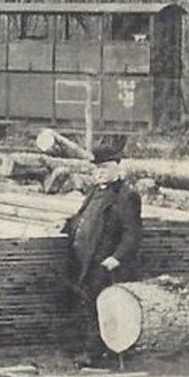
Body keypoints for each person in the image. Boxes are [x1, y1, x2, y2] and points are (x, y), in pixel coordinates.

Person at [61, 145, 142, 361]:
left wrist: (116, 258)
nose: (100, 173)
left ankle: (96, 352)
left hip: (104, 262)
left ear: (117, 168)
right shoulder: (94, 191)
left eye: (105, 168)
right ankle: (88, 347)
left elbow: (132, 233)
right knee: (84, 304)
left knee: (101, 305)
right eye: (97, 169)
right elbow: (82, 218)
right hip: (84, 258)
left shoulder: (126, 196)